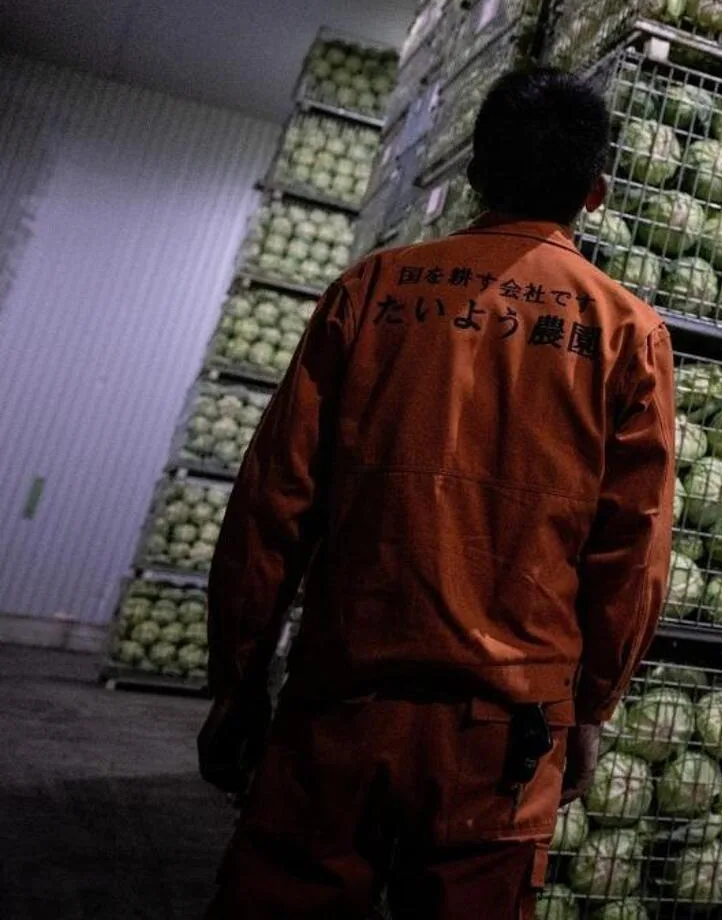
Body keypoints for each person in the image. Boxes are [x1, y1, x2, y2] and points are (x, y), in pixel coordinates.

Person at [199, 68, 675, 918]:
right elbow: (631, 549)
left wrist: (237, 685)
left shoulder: (371, 291)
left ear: (474, 177)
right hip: (504, 737)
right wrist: (594, 706)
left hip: (338, 705)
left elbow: (272, 506)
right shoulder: (626, 333)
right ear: (596, 194)